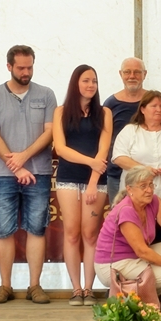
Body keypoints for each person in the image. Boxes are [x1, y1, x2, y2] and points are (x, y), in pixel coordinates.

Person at [0, 45, 57, 304]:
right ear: (9, 67)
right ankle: (5, 286)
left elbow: (50, 132)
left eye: (30, 67)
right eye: (21, 68)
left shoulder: (46, 94)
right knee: (4, 229)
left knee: (37, 228)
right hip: (2, 174)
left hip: (38, 171)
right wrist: (16, 165)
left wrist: (24, 157)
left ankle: (34, 286)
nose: (26, 72)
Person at [53, 64, 112, 307]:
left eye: (94, 81)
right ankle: (76, 289)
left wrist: (93, 182)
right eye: (86, 80)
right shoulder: (60, 112)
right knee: (71, 233)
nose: (91, 85)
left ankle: (89, 288)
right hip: (67, 178)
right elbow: (60, 149)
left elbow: (103, 150)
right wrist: (91, 162)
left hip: (96, 182)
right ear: (75, 83)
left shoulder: (104, 113)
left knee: (90, 234)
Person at [95, 166, 161, 309]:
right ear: (129, 189)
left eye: (151, 184)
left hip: (135, 257)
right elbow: (142, 251)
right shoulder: (126, 209)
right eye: (143, 186)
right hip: (113, 264)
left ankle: (145, 295)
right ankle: (128, 296)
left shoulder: (154, 201)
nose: (149, 190)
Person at [111, 90, 161, 220]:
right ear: (143, 109)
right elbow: (119, 157)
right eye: (154, 106)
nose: (158, 110)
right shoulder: (129, 131)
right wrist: (143, 169)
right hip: (136, 195)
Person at [103, 57, 149, 196]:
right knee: (120, 209)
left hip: (150, 173)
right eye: (127, 72)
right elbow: (103, 138)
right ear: (120, 74)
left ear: (145, 74)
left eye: (137, 72)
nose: (132, 76)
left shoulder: (154, 101)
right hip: (116, 174)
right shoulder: (110, 103)